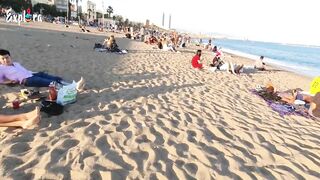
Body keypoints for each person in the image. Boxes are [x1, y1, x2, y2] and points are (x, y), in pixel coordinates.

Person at [0, 49, 85, 90]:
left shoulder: (16, 63)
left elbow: (24, 71)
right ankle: (73, 87)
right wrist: (10, 82)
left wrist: (36, 73)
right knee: (50, 83)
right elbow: (1, 81)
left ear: (10, 57)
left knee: (53, 78)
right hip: (26, 80)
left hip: (31, 74)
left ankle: (71, 85)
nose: (5, 60)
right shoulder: (2, 68)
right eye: (2, 59)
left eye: (7, 57)